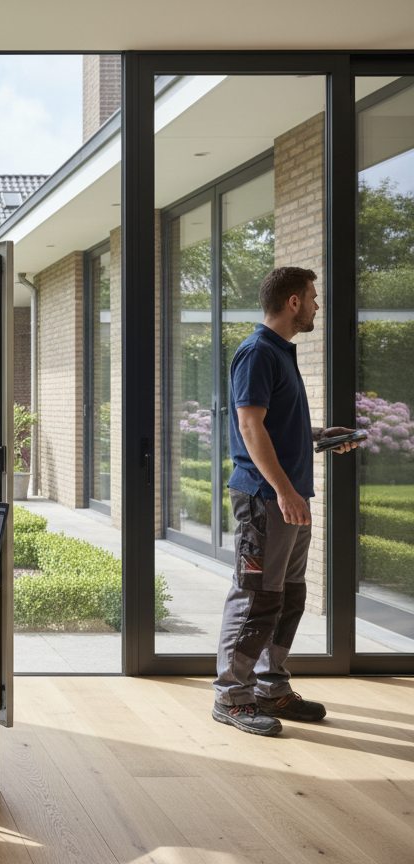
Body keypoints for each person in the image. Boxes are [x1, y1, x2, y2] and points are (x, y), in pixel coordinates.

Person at [213, 266, 360, 736]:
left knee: (288, 596)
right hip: (265, 499)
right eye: (313, 297)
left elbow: (275, 426)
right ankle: (231, 697)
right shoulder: (257, 352)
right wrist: (283, 491)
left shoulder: (279, 353)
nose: (317, 305)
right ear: (293, 301)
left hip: (289, 498)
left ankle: (270, 686)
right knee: (256, 596)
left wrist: (320, 436)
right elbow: (250, 427)